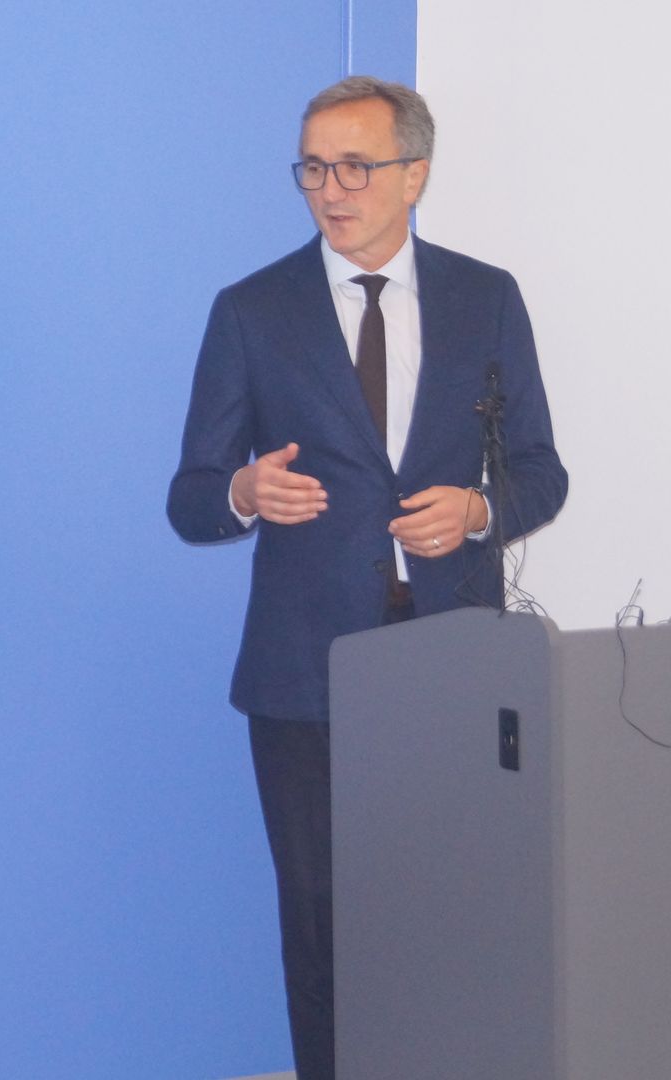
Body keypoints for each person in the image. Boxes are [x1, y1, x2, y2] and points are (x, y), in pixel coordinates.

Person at [166, 76, 568, 1079]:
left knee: (454, 913)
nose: (330, 190)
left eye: (355, 166)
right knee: (322, 929)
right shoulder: (252, 310)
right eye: (312, 168)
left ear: (414, 174)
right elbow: (191, 497)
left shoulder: (486, 298)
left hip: (453, 664)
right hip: (305, 673)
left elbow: (541, 472)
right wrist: (245, 492)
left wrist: (479, 511)